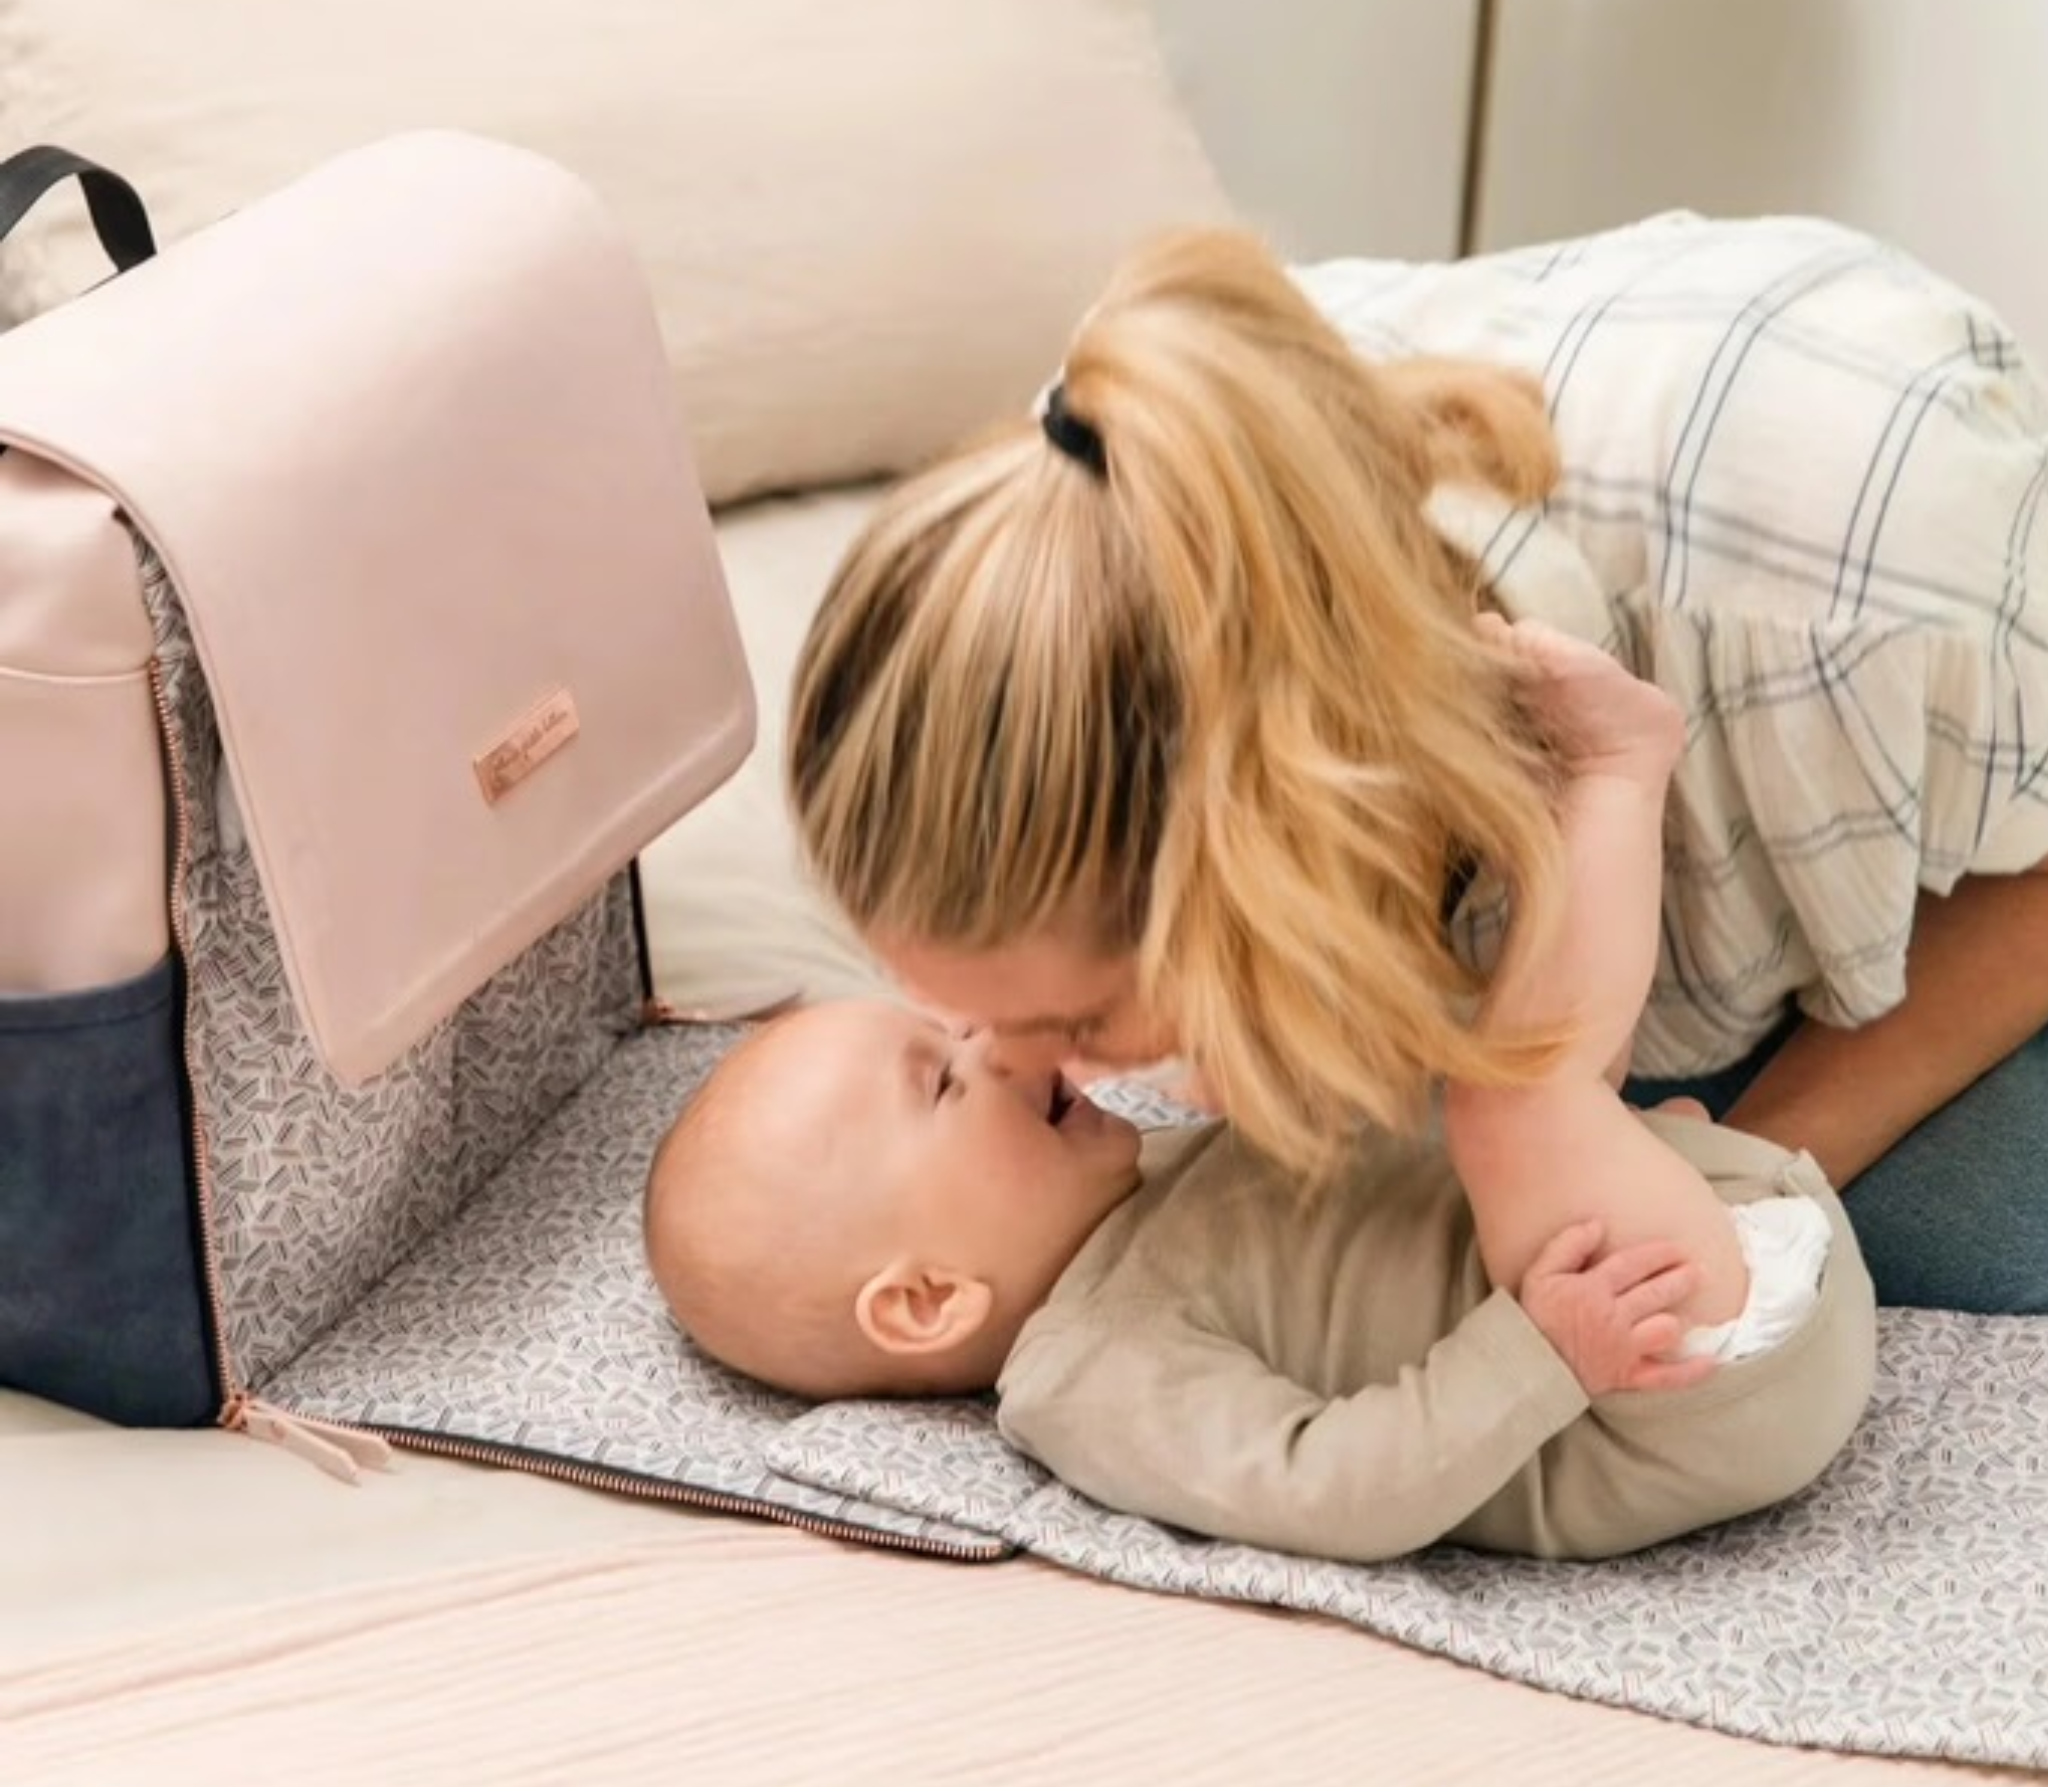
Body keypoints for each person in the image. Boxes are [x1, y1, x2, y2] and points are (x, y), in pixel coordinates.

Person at [786, 226, 2048, 1312]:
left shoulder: (1861, 592)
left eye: (1071, 1023)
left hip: (1978, 842)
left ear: (1260, 857)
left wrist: (1748, 1173)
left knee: (1946, 1245)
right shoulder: (1084, 489)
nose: (1023, 1063)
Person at [645, 623, 1875, 1562]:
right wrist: (1539, 1353)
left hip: (1701, 1237)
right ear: (923, 1297)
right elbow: (1330, 1485)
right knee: (1511, 1102)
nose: (995, 1040)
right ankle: (1612, 767)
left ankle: (1587, 1091)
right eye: (942, 1075)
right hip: (1659, 1384)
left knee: (1495, 1087)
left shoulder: (1149, 1177)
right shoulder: (1086, 1377)